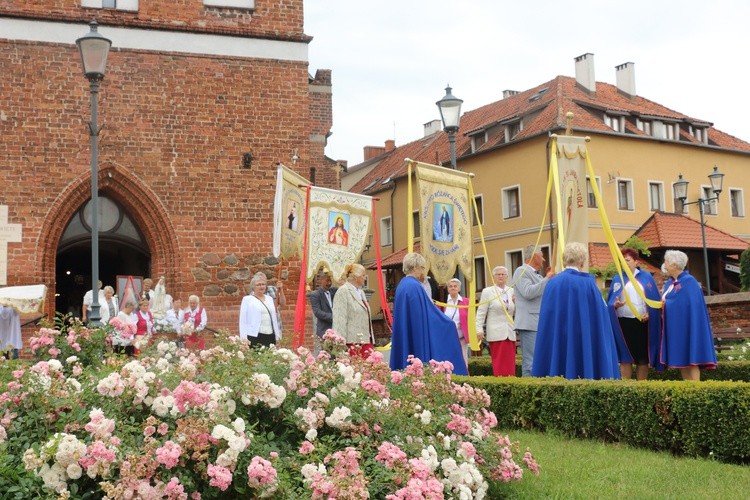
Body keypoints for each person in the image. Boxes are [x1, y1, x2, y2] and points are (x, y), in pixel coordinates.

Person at [532, 242, 620, 380]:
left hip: (559, 336)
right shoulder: (588, 284)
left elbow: (548, 318)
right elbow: (600, 315)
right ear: (582, 261)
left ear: (565, 259)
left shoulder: (552, 283)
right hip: (582, 336)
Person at [389, 253, 468, 375]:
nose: (422, 271)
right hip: (417, 335)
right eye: (421, 268)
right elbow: (428, 312)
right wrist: (447, 323)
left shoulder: (402, 285)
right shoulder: (415, 286)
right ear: (415, 267)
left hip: (406, 332)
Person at [659, 250, 717, 380]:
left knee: (691, 359)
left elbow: (687, 304)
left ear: (674, 264)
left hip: (688, 327)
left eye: (667, 262)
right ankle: (686, 387)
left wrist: (665, 303)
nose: (665, 265)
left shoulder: (689, 282)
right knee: (681, 361)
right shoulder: (670, 283)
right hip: (676, 328)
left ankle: (695, 389)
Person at [607, 248, 662, 380]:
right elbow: (610, 301)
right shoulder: (617, 278)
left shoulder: (646, 277)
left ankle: (641, 387)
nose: (624, 263)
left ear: (636, 262)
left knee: (642, 358)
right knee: (625, 358)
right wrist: (614, 305)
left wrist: (650, 314)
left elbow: (654, 301)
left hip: (641, 323)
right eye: (622, 261)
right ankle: (626, 387)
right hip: (623, 323)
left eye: (627, 260)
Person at [512, 245, 553, 377]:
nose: (544, 259)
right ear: (534, 257)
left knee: (539, 360)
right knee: (530, 362)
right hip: (529, 323)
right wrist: (547, 279)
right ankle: (528, 392)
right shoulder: (521, 271)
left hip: (538, 322)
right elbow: (528, 292)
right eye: (541, 255)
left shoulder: (538, 276)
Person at [476, 266, 517, 377]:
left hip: (510, 332)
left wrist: (516, 303)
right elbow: (481, 312)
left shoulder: (511, 291)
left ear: (507, 277)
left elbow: (516, 311)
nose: (500, 276)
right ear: (493, 277)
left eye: (503, 274)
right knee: (499, 364)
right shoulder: (488, 292)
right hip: (496, 333)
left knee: (510, 364)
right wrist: (479, 329)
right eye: (498, 274)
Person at [332, 263, 374, 357]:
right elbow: (339, 320)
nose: (365, 278)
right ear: (355, 277)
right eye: (363, 275)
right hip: (352, 343)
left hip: (366, 340)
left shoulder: (361, 292)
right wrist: (340, 346)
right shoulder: (343, 291)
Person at [239, 272, 281, 348]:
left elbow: (274, 318)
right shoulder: (247, 300)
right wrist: (243, 339)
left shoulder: (269, 299)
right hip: (255, 335)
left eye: (263, 284)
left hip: (270, 335)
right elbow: (243, 320)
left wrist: (277, 336)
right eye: (258, 285)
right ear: (253, 287)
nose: (261, 287)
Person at [442, 278, 470, 371]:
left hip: (461, 338)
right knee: (449, 360)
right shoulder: (443, 303)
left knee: (463, 360)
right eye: (450, 286)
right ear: (448, 289)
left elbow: (470, 318)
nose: (453, 288)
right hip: (447, 338)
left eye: (455, 286)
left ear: (459, 288)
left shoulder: (466, 302)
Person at [309, 270, 338, 355]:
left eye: (330, 280)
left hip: (337, 329)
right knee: (327, 355)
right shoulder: (315, 294)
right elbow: (317, 312)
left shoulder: (334, 291)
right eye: (327, 280)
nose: (329, 283)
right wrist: (333, 317)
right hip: (324, 330)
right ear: (320, 280)